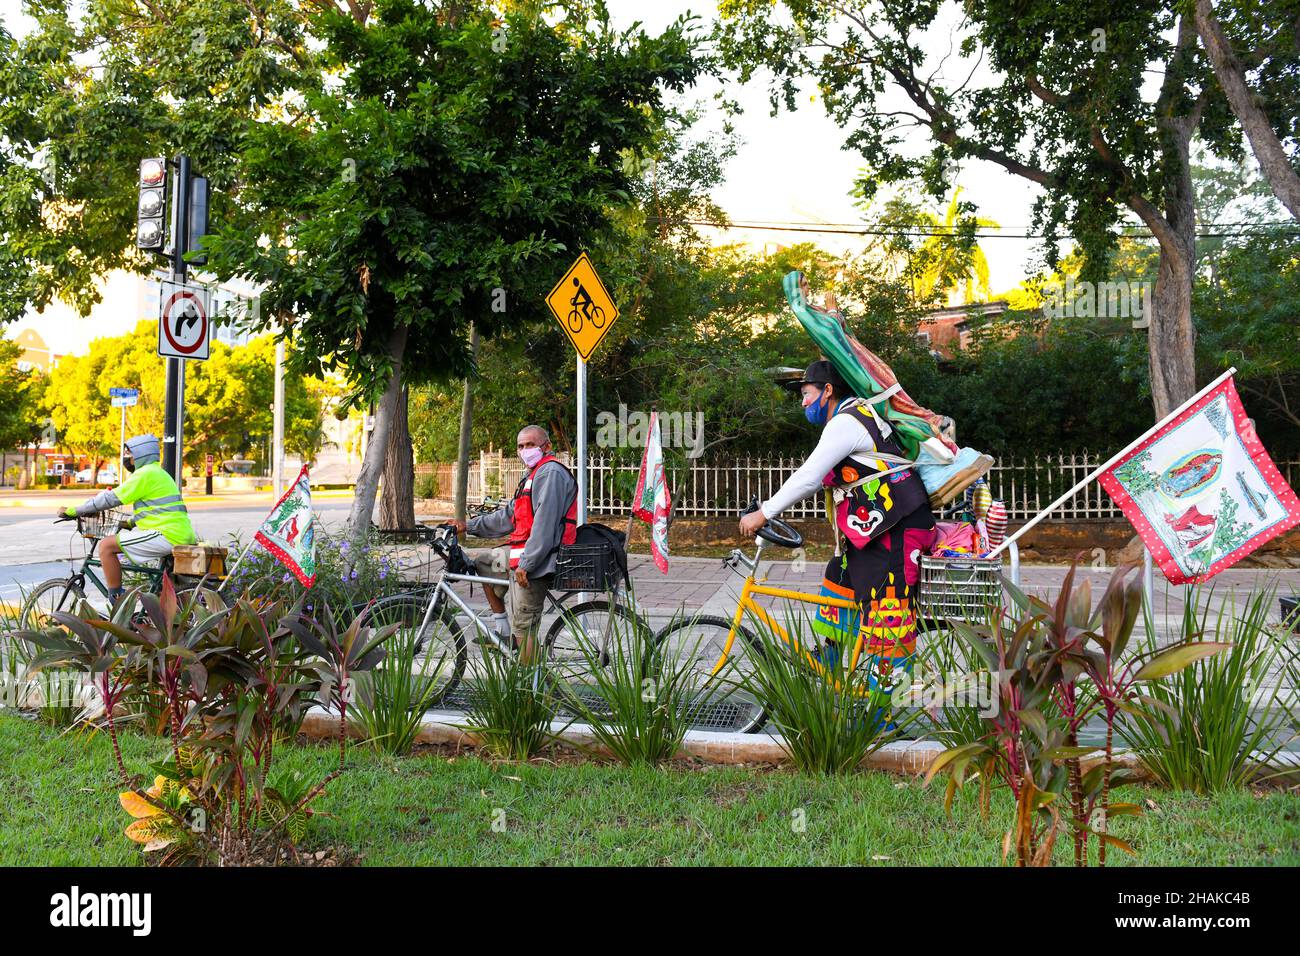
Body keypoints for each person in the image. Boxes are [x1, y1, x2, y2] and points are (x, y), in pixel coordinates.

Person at [738, 360, 937, 719]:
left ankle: (884, 718)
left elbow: (810, 476)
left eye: (806, 393)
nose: (802, 402)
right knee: (838, 576)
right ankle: (830, 656)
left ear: (827, 391)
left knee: (887, 615)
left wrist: (763, 512)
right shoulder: (851, 417)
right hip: (877, 530)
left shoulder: (847, 421)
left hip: (900, 527)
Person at [451, 425, 577, 663]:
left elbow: (545, 525)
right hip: (522, 554)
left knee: (524, 623)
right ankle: (503, 633)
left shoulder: (550, 473)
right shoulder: (531, 475)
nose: (525, 450)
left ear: (546, 447)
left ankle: (530, 688)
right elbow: (509, 516)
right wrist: (468, 525)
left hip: (541, 559)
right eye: (521, 446)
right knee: (485, 564)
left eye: (531, 445)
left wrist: (527, 565)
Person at [57, 433, 198, 604]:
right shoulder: (157, 473)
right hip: (177, 533)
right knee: (163, 584)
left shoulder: (145, 474)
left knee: (106, 546)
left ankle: (118, 602)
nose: (126, 459)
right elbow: (157, 510)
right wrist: (130, 522)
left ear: (141, 454)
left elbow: (110, 498)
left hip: (168, 535)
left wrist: (74, 510)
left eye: (129, 454)